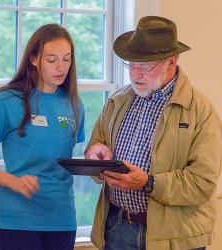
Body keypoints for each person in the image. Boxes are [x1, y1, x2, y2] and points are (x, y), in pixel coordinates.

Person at [85, 16, 221, 250]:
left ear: (172, 61)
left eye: (145, 67)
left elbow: (202, 182)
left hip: (175, 237)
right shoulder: (117, 102)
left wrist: (149, 182)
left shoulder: (201, 111)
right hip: (117, 229)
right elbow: (98, 148)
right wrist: (96, 156)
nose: (136, 74)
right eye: (132, 65)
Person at [0, 23, 85, 250]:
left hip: (61, 220)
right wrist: (13, 181)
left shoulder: (74, 105)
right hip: (15, 220)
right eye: (51, 60)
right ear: (34, 59)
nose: (60, 67)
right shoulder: (6, 101)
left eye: (66, 59)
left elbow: (71, 159)